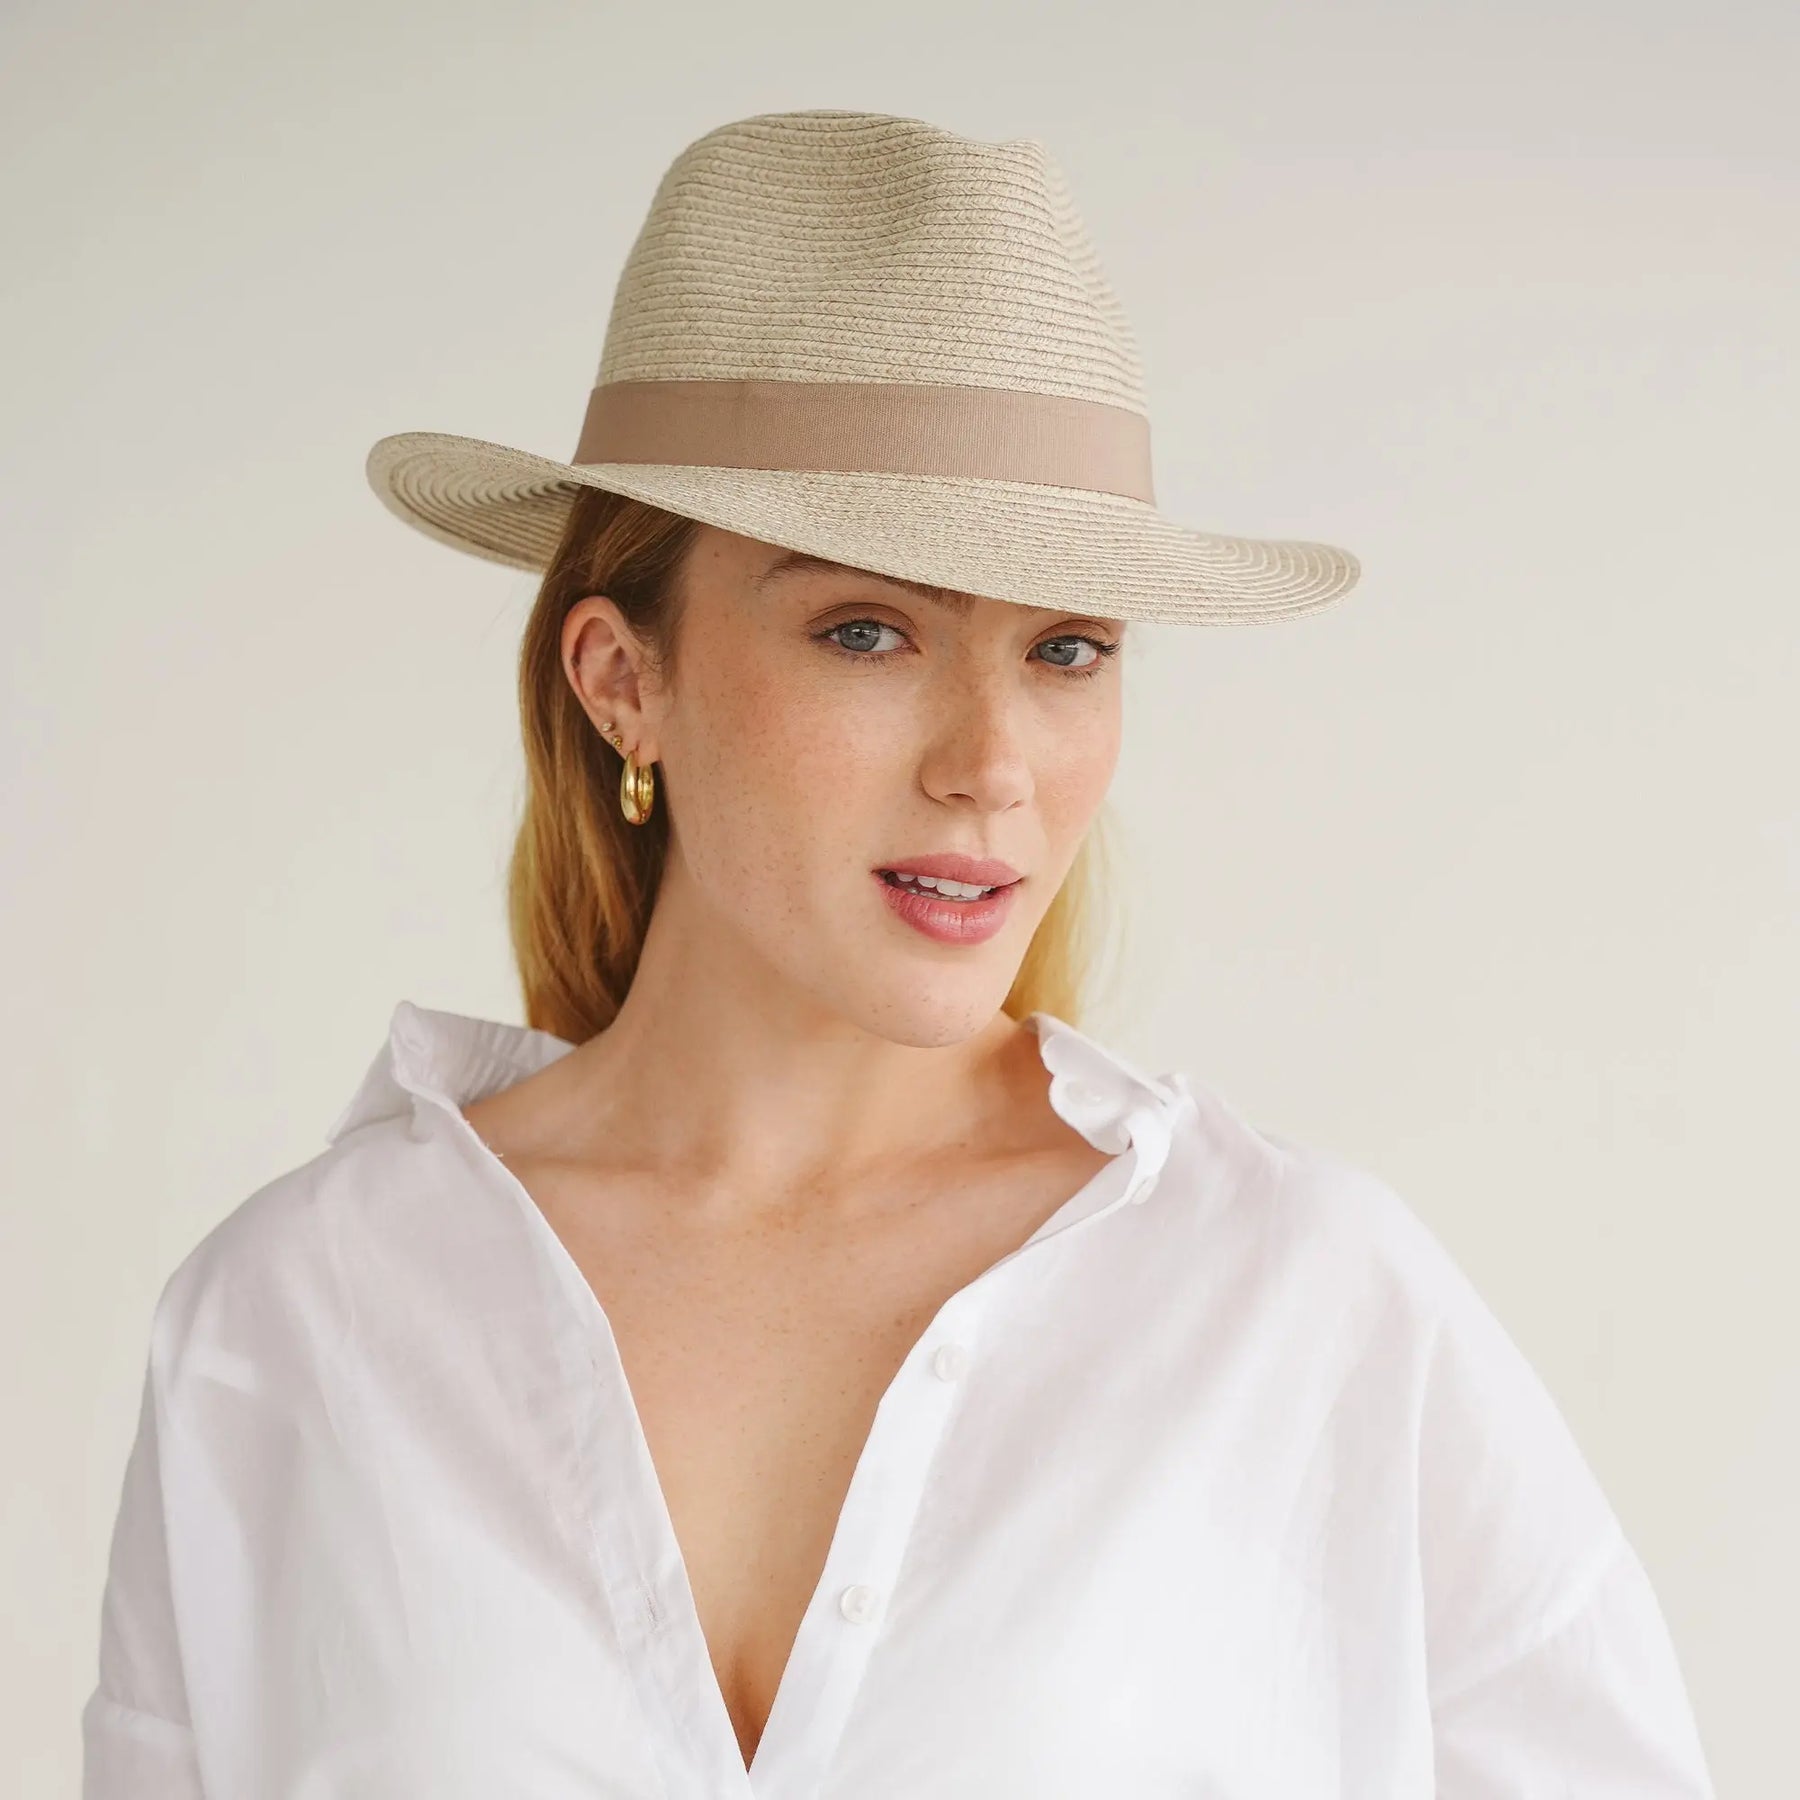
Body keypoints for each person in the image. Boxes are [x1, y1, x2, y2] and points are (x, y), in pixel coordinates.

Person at [81, 109, 1716, 1798]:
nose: (991, 763)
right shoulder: (295, 1317)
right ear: (622, 677)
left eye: (1067, 650)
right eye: (869, 630)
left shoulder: (1299, 1305)